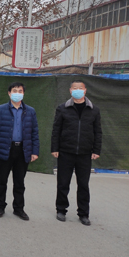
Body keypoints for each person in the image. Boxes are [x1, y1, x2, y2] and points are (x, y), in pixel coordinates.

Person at [51, 80, 102, 226]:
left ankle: (83, 214)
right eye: (75, 88)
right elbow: (56, 130)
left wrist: (96, 150)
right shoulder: (62, 108)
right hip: (65, 152)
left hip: (85, 154)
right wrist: (55, 148)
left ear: (85, 90)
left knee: (83, 185)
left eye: (80, 88)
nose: (77, 90)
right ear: (70, 90)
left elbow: (98, 131)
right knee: (63, 183)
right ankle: (61, 210)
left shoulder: (94, 110)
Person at [0, 82, 39, 221]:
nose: (17, 93)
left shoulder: (30, 111)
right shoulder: (0, 110)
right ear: (9, 93)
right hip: (5, 149)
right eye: (14, 91)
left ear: (23, 93)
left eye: (20, 91)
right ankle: (0, 207)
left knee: (19, 182)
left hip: (23, 150)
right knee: (1, 181)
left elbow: (34, 132)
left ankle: (19, 208)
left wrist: (34, 151)